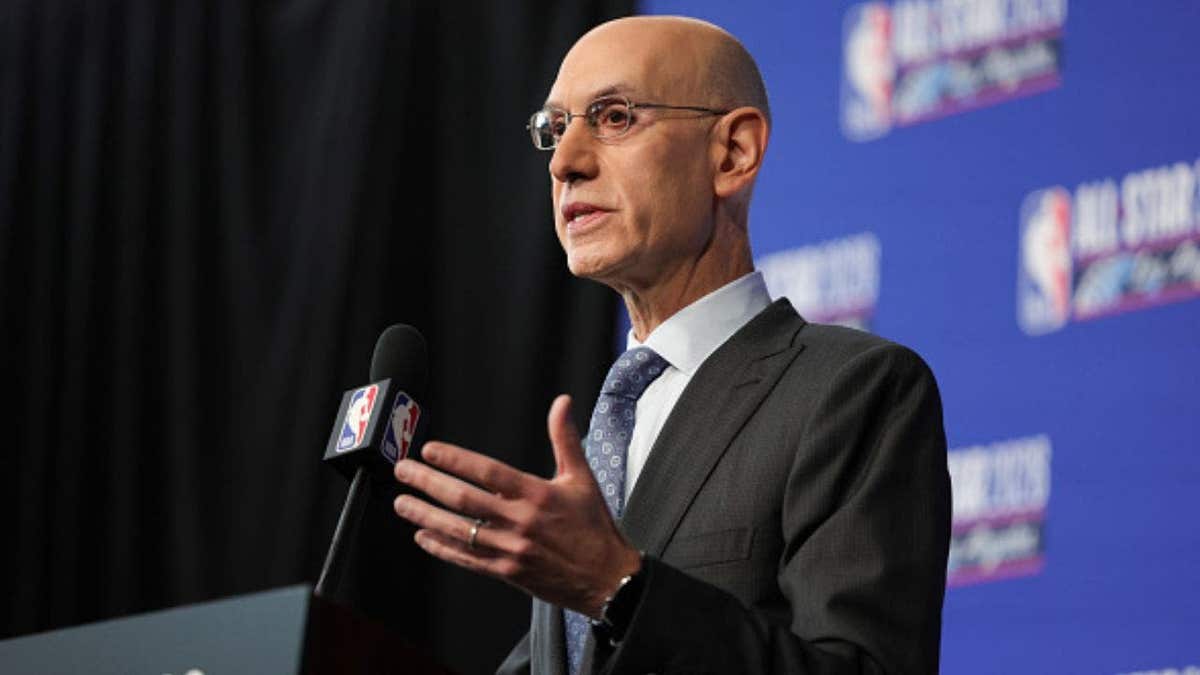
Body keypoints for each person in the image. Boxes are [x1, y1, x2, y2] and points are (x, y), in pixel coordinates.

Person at [391, 15, 950, 675]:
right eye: (555, 129)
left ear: (733, 153)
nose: (566, 163)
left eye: (616, 116)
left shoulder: (851, 391)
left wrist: (620, 587)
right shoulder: (604, 425)